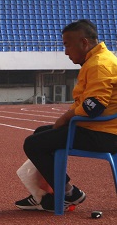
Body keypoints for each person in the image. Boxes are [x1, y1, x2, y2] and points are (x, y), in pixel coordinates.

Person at [16, 19, 117, 212]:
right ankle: (48, 193)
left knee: (33, 143)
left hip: (105, 135)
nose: (65, 52)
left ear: (84, 43)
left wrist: (67, 117)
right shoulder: (97, 61)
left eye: (67, 45)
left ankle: (69, 193)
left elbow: (93, 106)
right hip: (99, 130)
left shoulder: (99, 65)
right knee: (40, 133)